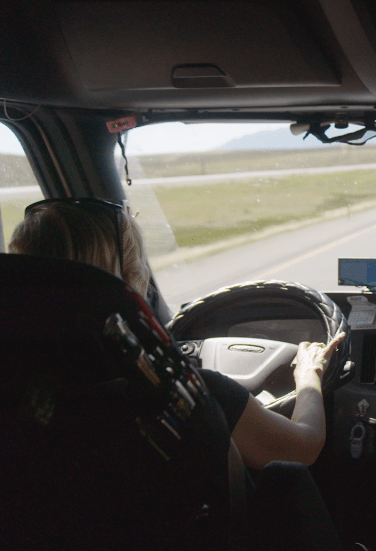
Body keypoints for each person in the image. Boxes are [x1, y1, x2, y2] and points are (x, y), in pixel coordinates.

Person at [9, 197, 340, 469]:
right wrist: (309, 375)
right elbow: (303, 447)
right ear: (128, 279)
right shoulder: (183, 396)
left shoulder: (19, 389)